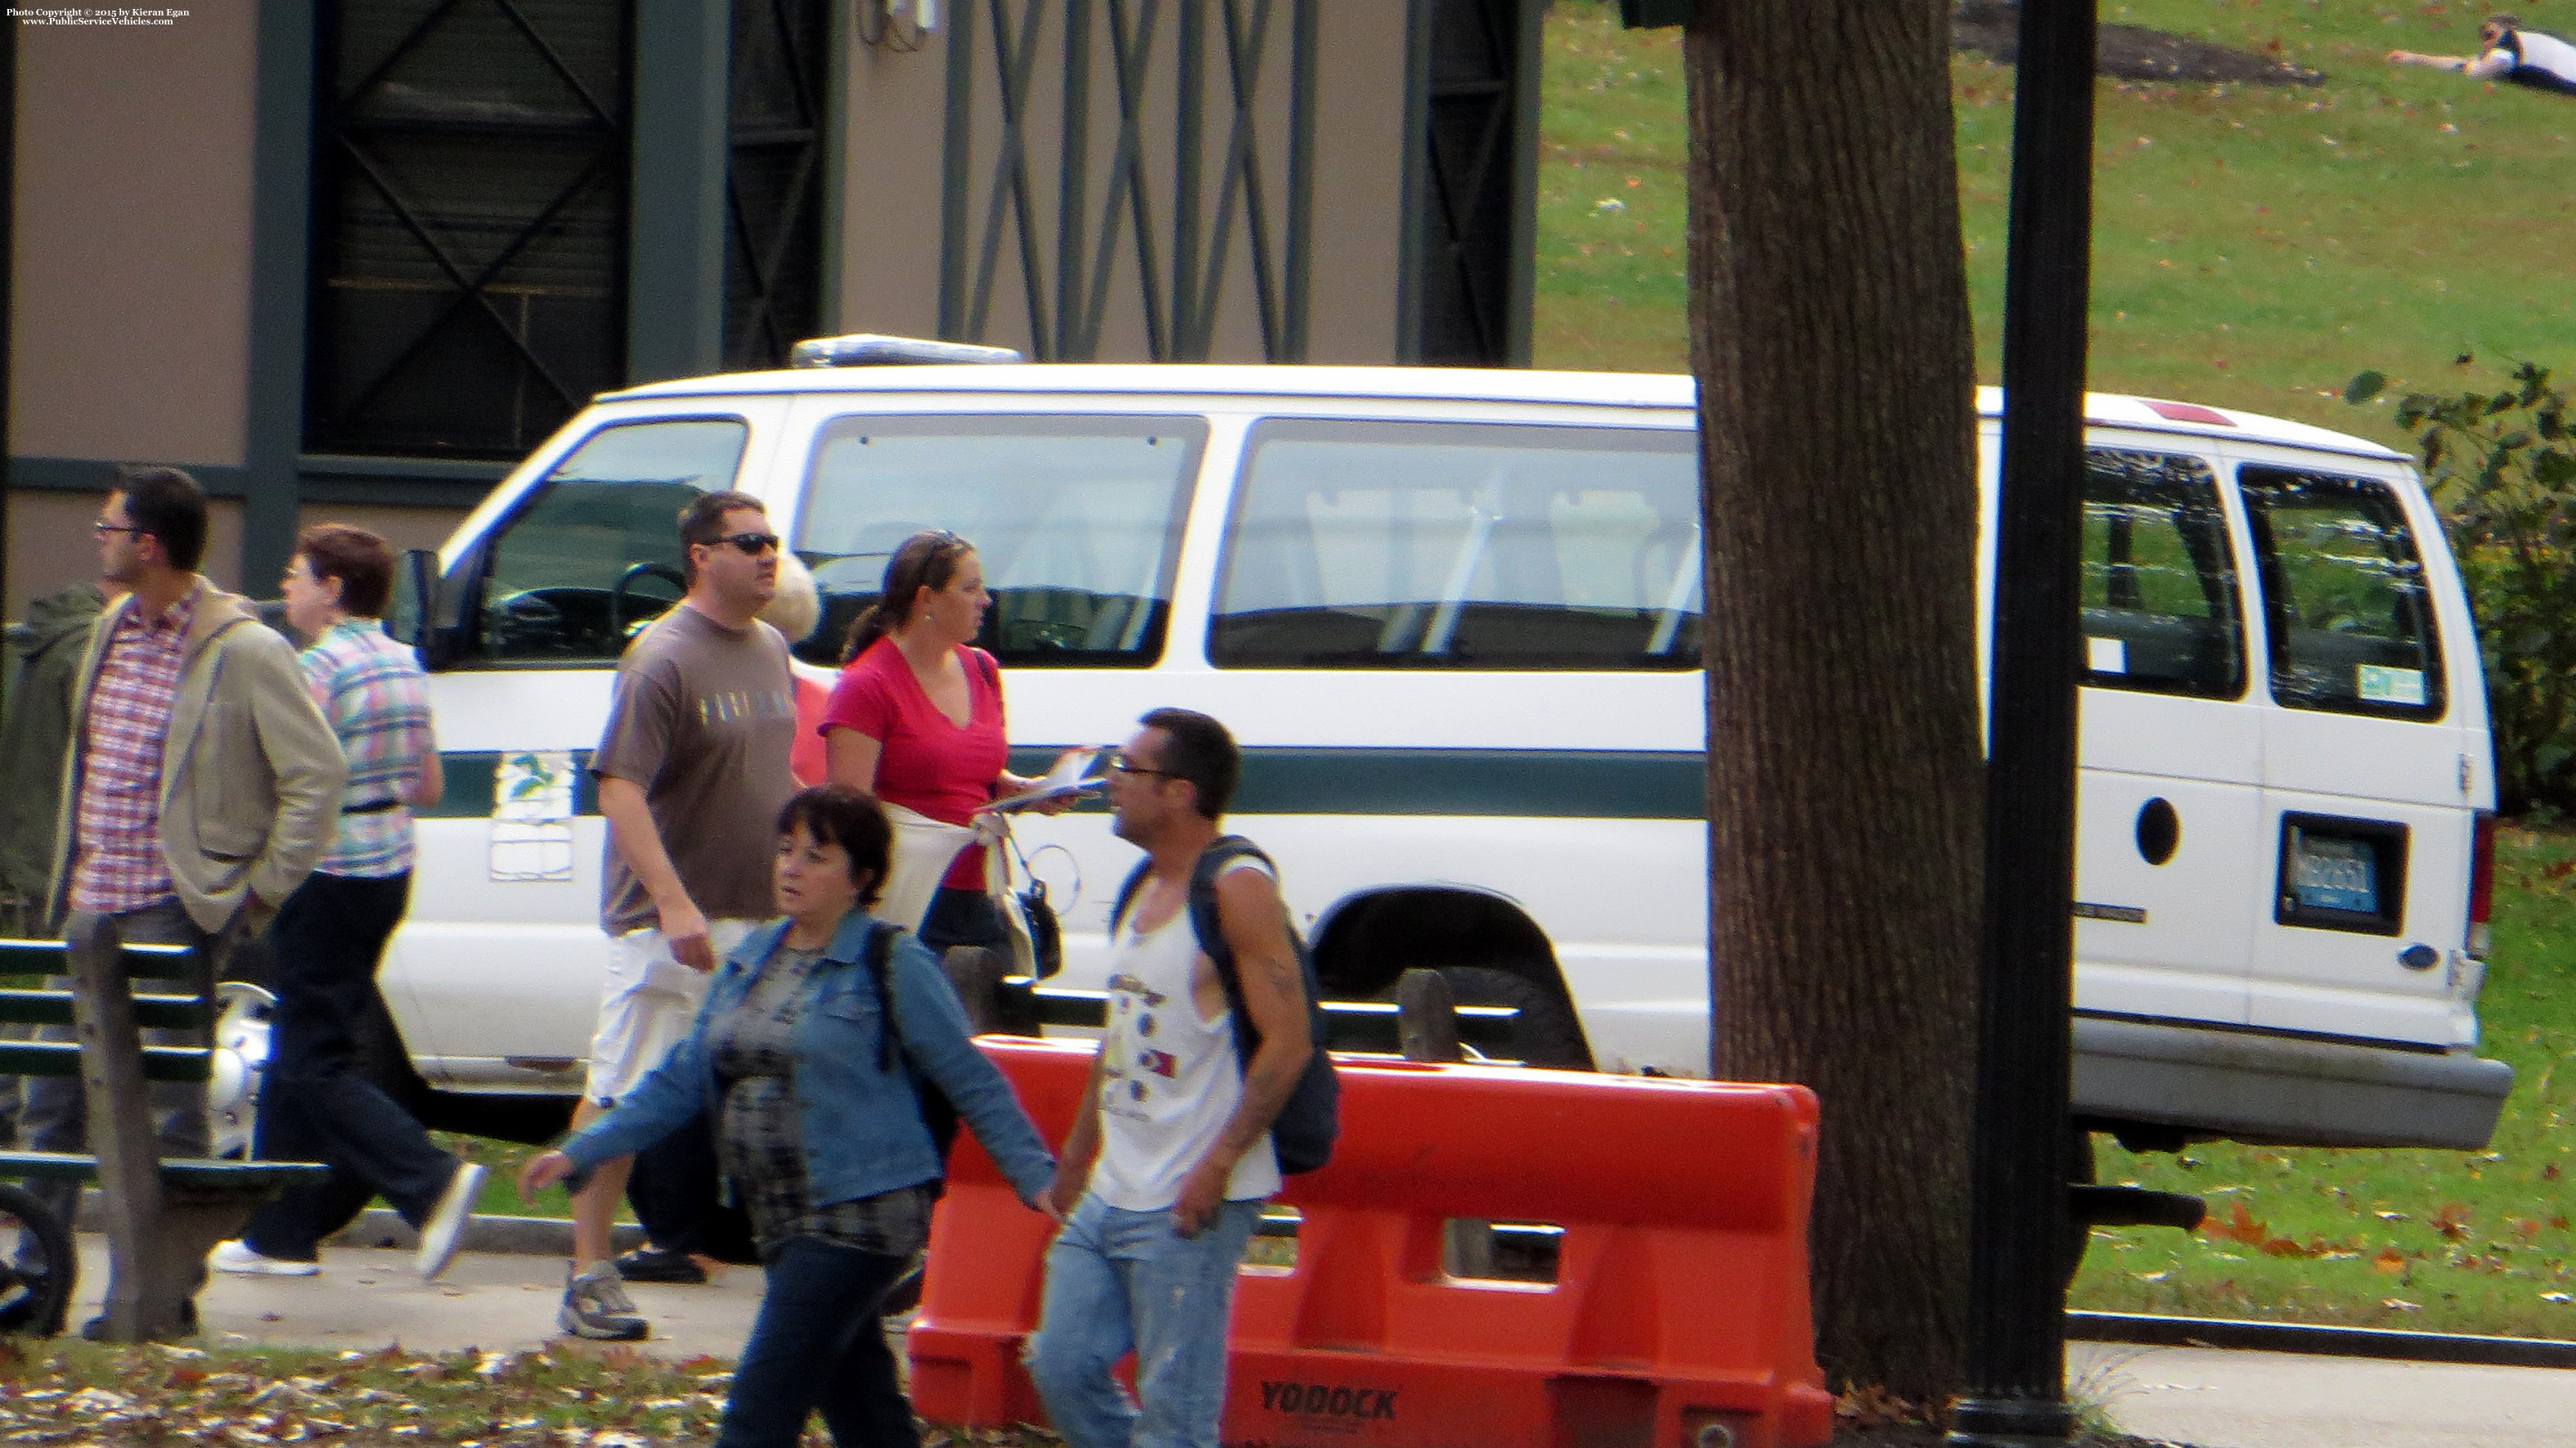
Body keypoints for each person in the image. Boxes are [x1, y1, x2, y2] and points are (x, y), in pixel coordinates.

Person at [518, 784, 1057, 1448]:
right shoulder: (752, 958)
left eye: (816, 856)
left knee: (757, 1414)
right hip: (781, 1219)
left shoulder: (893, 962)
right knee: (863, 1409)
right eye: (784, 851)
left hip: (861, 1215)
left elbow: (973, 1081)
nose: (791, 868)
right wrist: (584, 1148)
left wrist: (1037, 1181)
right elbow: (682, 1079)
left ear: (861, 878)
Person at [30, 465, 344, 1339]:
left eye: (108, 528)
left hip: (175, 910)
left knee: (170, 1112)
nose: (98, 539)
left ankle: (158, 1290)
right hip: (89, 907)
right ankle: (33, 1279)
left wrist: (256, 892)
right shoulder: (107, 632)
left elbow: (316, 777)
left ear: (150, 544)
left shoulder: (244, 651)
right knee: (50, 1101)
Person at [1023, 708, 1313, 1448]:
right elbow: (1117, 1039)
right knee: (1058, 1364)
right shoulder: (1139, 886)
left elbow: (1288, 1042)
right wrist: (1076, 1161)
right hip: (1113, 1186)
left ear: (1179, 792)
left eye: (1128, 768)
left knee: (1175, 1413)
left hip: (1189, 1197)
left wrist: (1217, 1166)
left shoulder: (1237, 888)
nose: (1110, 783)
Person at [207, 524, 485, 1281]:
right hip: (390, 866)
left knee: (310, 1057)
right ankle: (281, 1233)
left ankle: (430, 1181)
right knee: (315, 1036)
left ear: (332, 590)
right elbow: (425, 784)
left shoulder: (316, 668)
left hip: (324, 869)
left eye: (297, 575)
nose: (287, 587)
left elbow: (286, 771)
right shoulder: (404, 661)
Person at [561, 488, 798, 1341]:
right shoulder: (660, 657)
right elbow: (619, 786)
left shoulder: (769, 648)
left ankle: (812, 1267)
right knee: (621, 1094)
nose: (769, 555)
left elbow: (765, 782)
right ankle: (588, 1274)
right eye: (750, 542)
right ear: (703, 555)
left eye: (773, 541)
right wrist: (670, 902)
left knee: (783, 1089)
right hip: (667, 926)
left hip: (757, 918)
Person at [820, 529, 1069, 958]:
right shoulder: (867, 684)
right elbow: (849, 815)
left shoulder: (982, 668)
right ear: (926, 600)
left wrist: (1030, 792)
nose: (986, 600)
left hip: (982, 890)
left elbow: (975, 776)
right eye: (970, 588)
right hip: (910, 899)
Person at [2389, 13, 2576, 94]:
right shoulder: (2537, 37)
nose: (2485, 42)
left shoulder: (2509, 42)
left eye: (2489, 34)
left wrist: (2473, 69)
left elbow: (2481, 71)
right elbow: (2463, 63)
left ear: (2507, 29)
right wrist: (2416, 59)